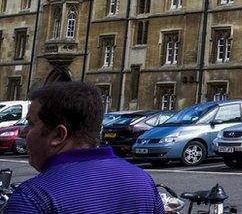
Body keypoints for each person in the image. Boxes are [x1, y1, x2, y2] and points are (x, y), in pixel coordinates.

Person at [5, 82, 165, 213]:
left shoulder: (34, 197)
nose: (22, 132)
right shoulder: (142, 181)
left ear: (59, 135)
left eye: (31, 124)